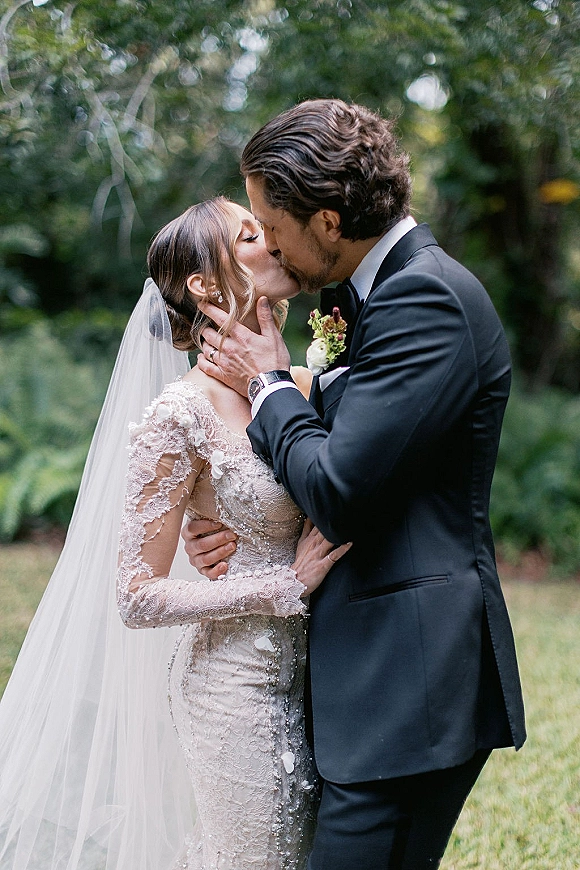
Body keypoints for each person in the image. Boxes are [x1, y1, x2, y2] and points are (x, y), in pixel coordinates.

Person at [182, 99, 527, 870]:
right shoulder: (363, 298)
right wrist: (229, 518)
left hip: (409, 681)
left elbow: (340, 488)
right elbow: (355, 462)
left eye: (273, 227)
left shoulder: (424, 298)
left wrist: (269, 382)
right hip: (364, 678)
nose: (266, 244)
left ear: (329, 222)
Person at [0, 196, 349, 870]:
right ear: (205, 285)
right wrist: (283, 583)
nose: (273, 240)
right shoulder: (179, 414)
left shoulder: (306, 383)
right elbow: (136, 595)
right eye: (252, 234)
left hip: (321, 680)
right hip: (233, 688)